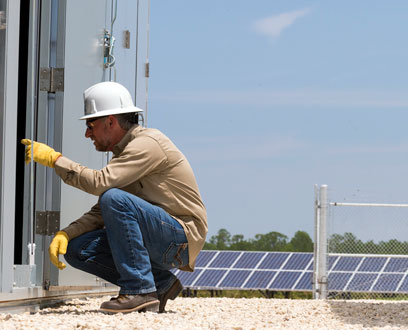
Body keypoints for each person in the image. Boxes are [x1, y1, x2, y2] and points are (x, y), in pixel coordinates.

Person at [22, 81, 208, 314]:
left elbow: (102, 186)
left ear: (110, 121)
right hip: (162, 236)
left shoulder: (146, 145)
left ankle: (138, 290)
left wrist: (56, 159)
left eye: (91, 124)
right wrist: (66, 234)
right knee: (77, 248)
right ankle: (159, 284)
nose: (87, 133)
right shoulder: (128, 153)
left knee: (114, 198)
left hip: (180, 237)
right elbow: (105, 209)